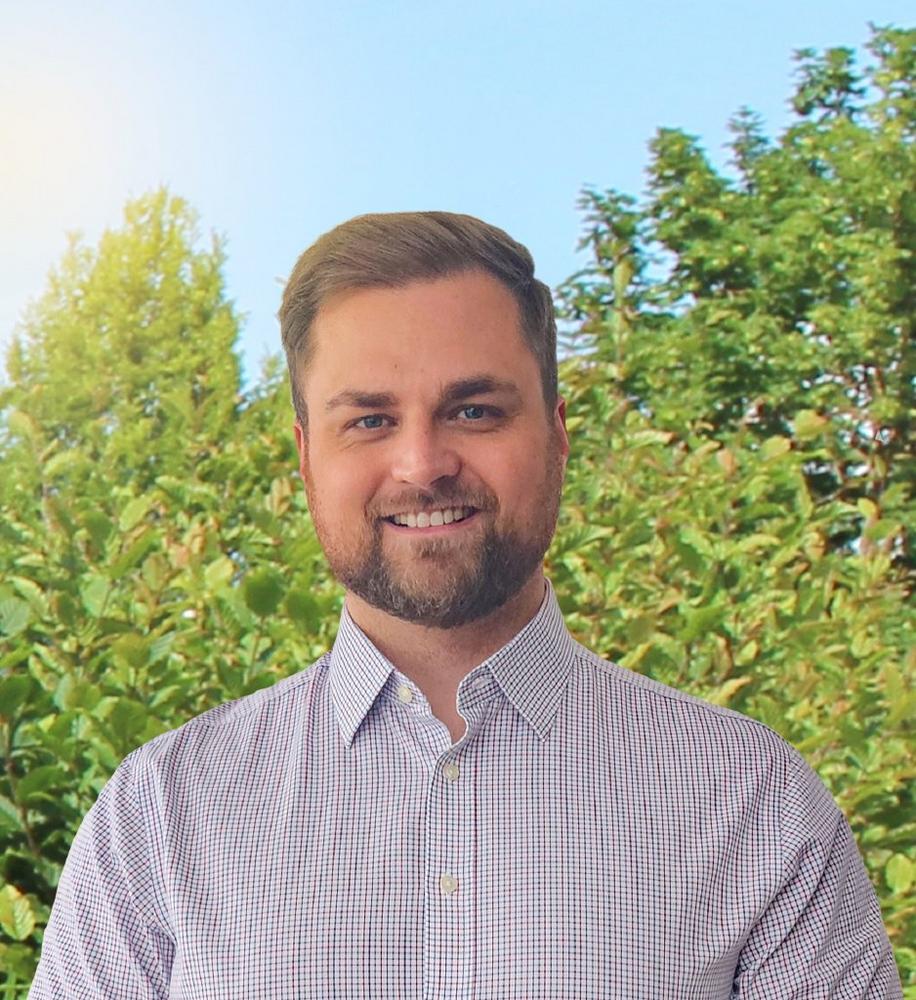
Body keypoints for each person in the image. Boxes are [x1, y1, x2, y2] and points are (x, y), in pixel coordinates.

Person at [31, 212, 901, 998]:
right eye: (370, 421)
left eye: (474, 410)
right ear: (306, 458)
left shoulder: (753, 800)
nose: (422, 464)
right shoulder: (160, 813)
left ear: (557, 435)